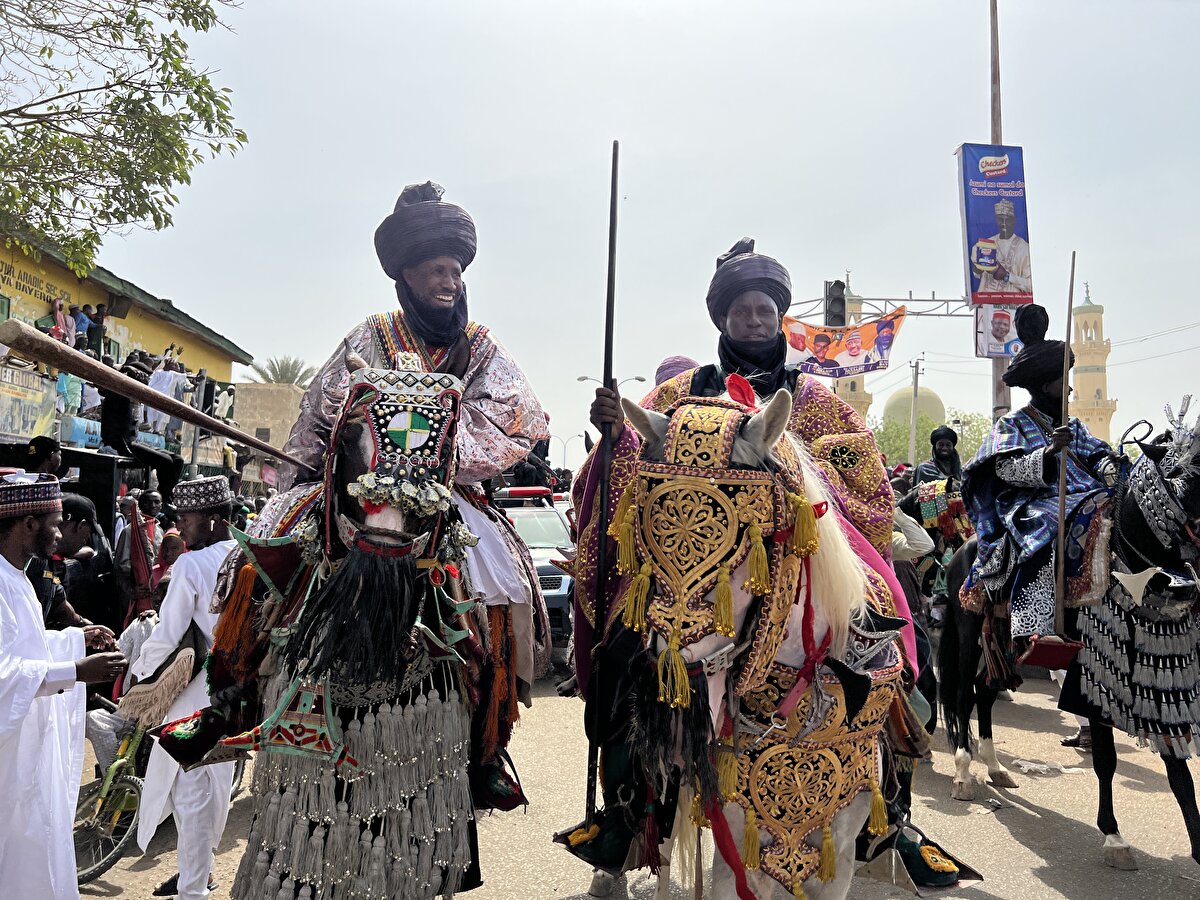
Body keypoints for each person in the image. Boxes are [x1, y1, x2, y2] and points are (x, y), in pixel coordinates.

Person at [0, 471, 124, 900]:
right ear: (28, 524)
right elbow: (3, 673)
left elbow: (27, 649)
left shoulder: (17, 578)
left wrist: (75, 640)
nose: (60, 533)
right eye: (54, 522)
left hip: (25, 752)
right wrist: (77, 671)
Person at [961, 303, 1116, 641]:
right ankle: (1033, 624)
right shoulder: (1013, 423)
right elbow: (1004, 469)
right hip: (1035, 503)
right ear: (1046, 386)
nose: (1071, 389)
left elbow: (1097, 452)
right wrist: (1047, 454)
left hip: (1085, 495)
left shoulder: (1073, 424)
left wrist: (1108, 469)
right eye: (1064, 382)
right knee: (1046, 526)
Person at [132, 476, 237, 900]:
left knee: (191, 792)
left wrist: (139, 673)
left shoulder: (192, 565)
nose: (181, 527)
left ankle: (193, 889)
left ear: (212, 521)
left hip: (200, 696)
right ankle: (200, 873)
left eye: (187, 519)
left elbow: (168, 631)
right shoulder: (244, 551)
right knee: (216, 784)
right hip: (237, 692)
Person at [975, 199, 1032, 295]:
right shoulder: (985, 244)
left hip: (1014, 305)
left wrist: (1007, 276)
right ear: (996, 220)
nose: (1004, 223)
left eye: (1007, 219)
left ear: (1013, 221)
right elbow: (976, 275)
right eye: (1000, 219)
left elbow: (1030, 285)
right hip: (987, 304)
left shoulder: (1024, 248)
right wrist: (977, 269)